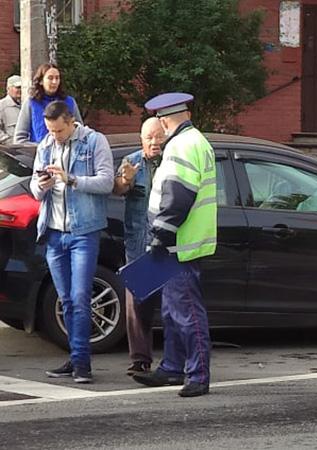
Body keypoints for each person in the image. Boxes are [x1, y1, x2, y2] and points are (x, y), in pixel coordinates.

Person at [131, 92, 217, 398]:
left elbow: (178, 195)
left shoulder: (182, 145)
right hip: (182, 243)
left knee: (187, 312)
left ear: (165, 120)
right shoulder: (195, 141)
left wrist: (162, 234)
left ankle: (197, 374)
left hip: (180, 244)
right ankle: (172, 367)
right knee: (171, 310)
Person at [30, 100, 114, 384]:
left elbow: (107, 182)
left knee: (80, 298)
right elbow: (33, 187)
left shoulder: (93, 141)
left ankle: (82, 364)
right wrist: (40, 187)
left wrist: (72, 179)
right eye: (51, 131)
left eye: (59, 130)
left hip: (83, 232)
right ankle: (75, 358)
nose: (55, 136)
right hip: (54, 231)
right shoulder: (45, 145)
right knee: (65, 300)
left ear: (70, 121)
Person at [113, 117, 165, 376]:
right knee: (138, 304)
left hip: (167, 241)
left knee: (170, 303)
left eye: (158, 136)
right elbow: (118, 189)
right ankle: (140, 359)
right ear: (141, 140)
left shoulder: (172, 161)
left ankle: (175, 359)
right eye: (149, 138)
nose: (155, 142)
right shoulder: (132, 161)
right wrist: (126, 180)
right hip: (138, 242)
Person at [14, 63, 83, 144]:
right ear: (41, 81)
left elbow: (80, 131)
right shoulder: (31, 103)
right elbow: (19, 138)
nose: (54, 82)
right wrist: (41, 148)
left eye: (57, 78)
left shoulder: (70, 102)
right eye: (50, 78)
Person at [0, 75, 23, 144]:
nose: (20, 90)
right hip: (9, 151)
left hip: (27, 148)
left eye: (22, 87)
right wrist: (10, 142)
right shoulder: (2, 106)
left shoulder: (26, 105)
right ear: (8, 88)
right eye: (18, 87)